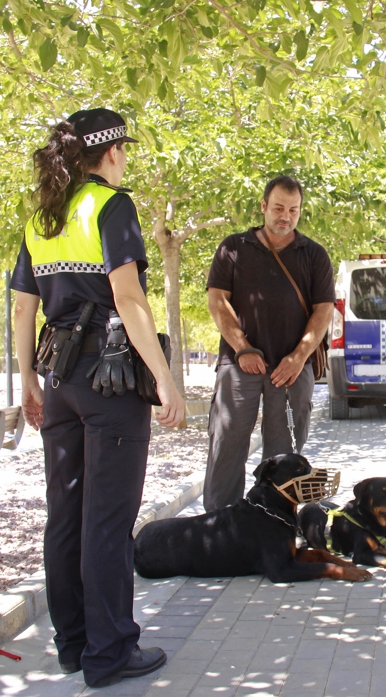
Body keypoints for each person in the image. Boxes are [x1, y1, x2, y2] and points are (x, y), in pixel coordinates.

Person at [11, 108, 185, 688]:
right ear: (111, 153)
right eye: (125, 150)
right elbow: (128, 297)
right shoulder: (111, 205)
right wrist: (164, 378)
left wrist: (28, 381)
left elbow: (21, 306)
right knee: (108, 521)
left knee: (65, 515)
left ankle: (74, 645)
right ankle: (110, 653)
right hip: (108, 383)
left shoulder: (44, 217)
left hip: (57, 380)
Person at [204, 175, 335, 511]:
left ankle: (276, 524)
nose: (285, 216)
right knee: (227, 445)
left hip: (291, 371)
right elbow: (218, 301)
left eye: (293, 210)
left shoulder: (315, 255)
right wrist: (242, 347)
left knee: (285, 454)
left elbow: (322, 312)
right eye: (278, 208)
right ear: (263, 207)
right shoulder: (232, 248)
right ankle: (220, 524)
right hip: (238, 365)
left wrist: (298, 356)